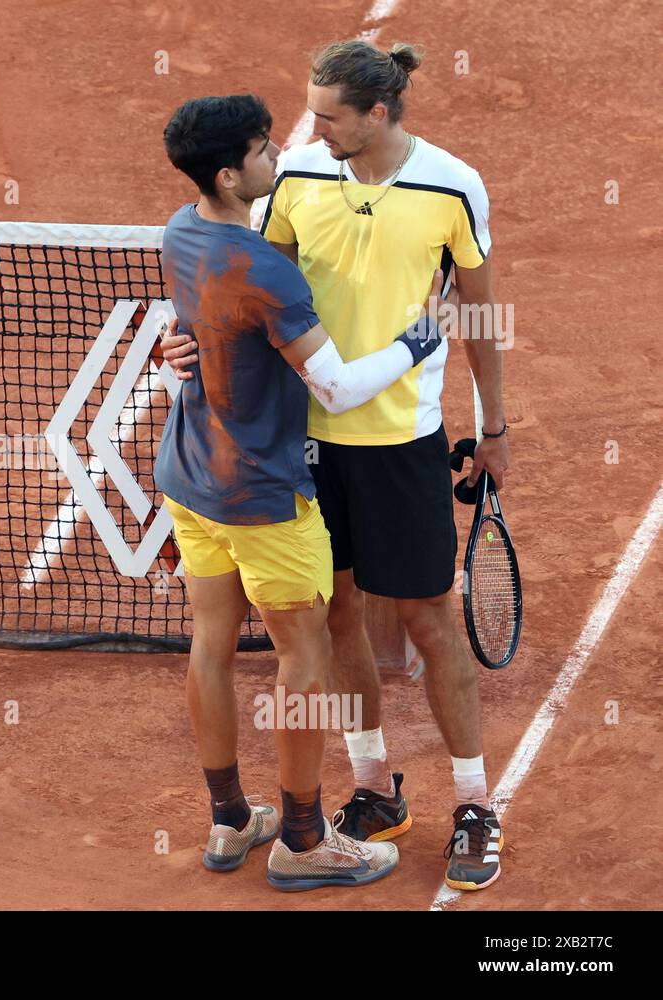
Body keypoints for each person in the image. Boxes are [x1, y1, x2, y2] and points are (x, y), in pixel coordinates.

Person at [161, 41, 507, 892]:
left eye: (329, 115)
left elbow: (481, 307)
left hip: (402, 440)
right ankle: (369, 788)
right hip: (303, 448)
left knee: (430, 618)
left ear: (380, 112)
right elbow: (242, 294)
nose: (311, 130)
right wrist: (192, 348)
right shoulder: (293, 183)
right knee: (336, 617)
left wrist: (494, 424)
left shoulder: (453, 185)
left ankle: (474, 804)